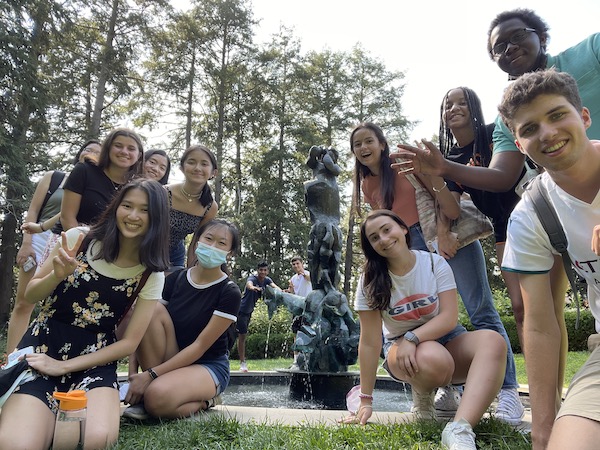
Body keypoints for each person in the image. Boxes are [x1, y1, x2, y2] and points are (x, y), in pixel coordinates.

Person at [351, 122, 523, 424]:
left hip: (441, 233)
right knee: (427, 314)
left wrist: (443, 233)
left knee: (480, 310)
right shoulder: (367, 185)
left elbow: (443, 198)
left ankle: (508, 390)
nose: (363, 148)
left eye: (368, 141)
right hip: (407, 242)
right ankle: (445, 388)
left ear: (381, 142)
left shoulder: (403, 161)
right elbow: (383, 222)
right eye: (357, 145)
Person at [0, 178, 170, 450]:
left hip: (95, 361)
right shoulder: (78, 239)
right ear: (116, 207)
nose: (133, 216)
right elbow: (30, 295)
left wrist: (63, 366)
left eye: (145, 210)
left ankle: (57, 420)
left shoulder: (150, 272)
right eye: (127, 205)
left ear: (158, 218)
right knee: (16, 444)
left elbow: (129, 344)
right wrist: (56, 275)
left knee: (95, 440)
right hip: (43, 348)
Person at [342, 210, 506, 450]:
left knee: (493, 341)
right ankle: (423, 393)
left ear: (403, 228)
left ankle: (459, 428)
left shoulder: (433, 262)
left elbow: (450, 317)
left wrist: (414, 336)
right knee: (432, 357)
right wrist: (365, 401)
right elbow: (369, 342)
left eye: (387, 230)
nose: (384, 239)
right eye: (374, 238)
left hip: (446, 339)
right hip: (400, 350)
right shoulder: (369, 279)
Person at [498, 69, 600, 450]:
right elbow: (540, 325)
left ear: (584, 116)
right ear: (520, 146)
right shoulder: (532, 214)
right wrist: (542, 430)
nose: (547, 133)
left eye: (557, 115)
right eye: (529, 128)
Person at [122, 219, 241, 420]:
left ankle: (207, 400)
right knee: (151, 310)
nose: (212, 246)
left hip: (207, 365)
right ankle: (150, 392)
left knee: (156, 400)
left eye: (221, 243)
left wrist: (149, 375)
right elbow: (140, 328)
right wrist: (134, 374)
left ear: (229, 253)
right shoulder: (175, 279)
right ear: (196, 242)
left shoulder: (229, 292)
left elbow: (200, 346)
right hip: (173, 356)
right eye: (208, 239)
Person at [6, 140, 101, 355]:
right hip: (39, 239)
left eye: (97, 152)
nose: (91, 153)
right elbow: (34, 210)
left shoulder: (92, 185)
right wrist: (27, 242)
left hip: (69, 240)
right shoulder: (55, 178)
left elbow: (69, 212)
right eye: (88, 149)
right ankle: (10, 358)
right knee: (24, 301)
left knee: (57, 304)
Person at [165, 145, 219, 271]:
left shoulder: (210, 206)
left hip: (175, 255)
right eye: (191, 162)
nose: (197, 168)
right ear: (182, 168)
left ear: (213, 173)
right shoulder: (163, 193)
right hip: (145, 251)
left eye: (204, 164)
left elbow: (196, 241)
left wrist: (191, 271)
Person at [236, 261, 281, 372]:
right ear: (257, 270)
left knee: (242, 336)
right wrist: (254, 288)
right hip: (241, 311)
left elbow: (275, 287)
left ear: (267, 271)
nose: (263, 272)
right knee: (241, 336)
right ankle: (242, 363)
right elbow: (249, 285)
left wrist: (282, 292)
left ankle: (241, 361)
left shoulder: (267, 280)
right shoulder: (253, 278)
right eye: (261, 270)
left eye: (265, 270)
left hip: (249, 312)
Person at [286, 256, 312, 370]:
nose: (296, 266)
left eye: (297, 263)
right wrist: (288, 290)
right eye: (294, 264)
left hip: (309, 308)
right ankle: (296, 361)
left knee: (308, 333)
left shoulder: (307, 274)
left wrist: (303, 273)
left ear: (302, 263)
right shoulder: (293, 278)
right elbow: (292, 293)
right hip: (297, 308)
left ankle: (308, 359)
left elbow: (311, 279)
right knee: (296, 334)